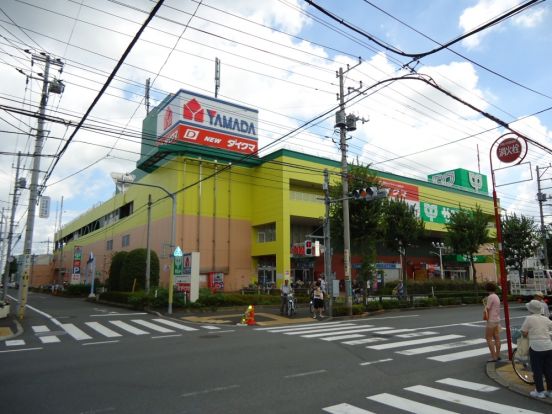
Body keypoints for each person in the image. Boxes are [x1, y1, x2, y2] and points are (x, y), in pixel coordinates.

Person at [520, 299, 552, 399]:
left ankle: (540, 391)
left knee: (537, 369)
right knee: (549, 369)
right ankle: (550, 391)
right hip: (548, 346)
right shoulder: (545, 319)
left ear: (530, 309)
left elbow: (524, 332)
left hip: (536, 347)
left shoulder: (529, 318)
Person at [483, 282, 501, 362]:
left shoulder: (490, 297)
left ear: (487, 289)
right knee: (496, 338)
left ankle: (494, 357)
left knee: (488, 338)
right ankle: (497, 355)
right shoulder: (496, 296)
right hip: (497, 319)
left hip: (491, 320)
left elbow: (487, 308)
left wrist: (485, 304)